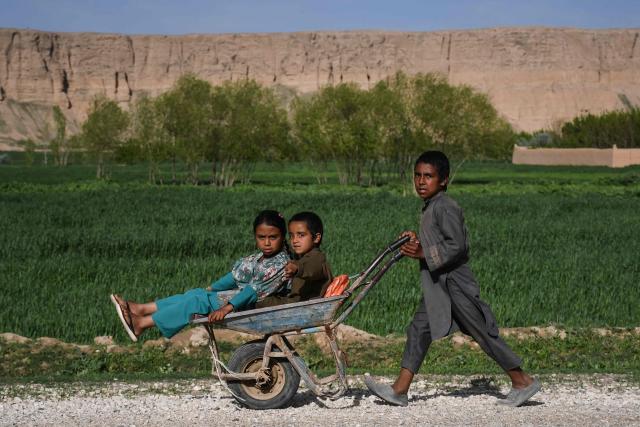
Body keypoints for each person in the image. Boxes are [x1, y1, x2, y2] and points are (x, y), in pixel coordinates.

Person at [364, 150, 540, 408]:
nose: (421, 182)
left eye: (429, 176)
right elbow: (439, 240)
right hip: (438, 285)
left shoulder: (446, 207)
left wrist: (424, 252)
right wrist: (416, 240)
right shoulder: (432, 206)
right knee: (419, 329)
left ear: (444, 180)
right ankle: (399, 390)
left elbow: (456, 245)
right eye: (417, 176)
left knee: (481, 331)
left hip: (454, 283)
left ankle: (522, 380)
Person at [110, 210, 290, 342]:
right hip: (239, 299)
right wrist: (211, 289)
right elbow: (235, 277)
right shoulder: (257, 258)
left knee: (197, 303)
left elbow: (252, 291)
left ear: (282, 237)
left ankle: (142, 323)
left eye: (273, 237)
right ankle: (141, 308)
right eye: (261, 237)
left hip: (250, 305)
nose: (267, 243)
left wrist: (226, 309)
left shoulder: (280, 263)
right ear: (255, 236)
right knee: (195, 294)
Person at [256, 211, 333, 308]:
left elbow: (311, 267)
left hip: (302, 305)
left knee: (260, 301)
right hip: (295, 301)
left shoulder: (317, 258)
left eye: (301, 235)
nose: (295, 240)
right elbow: (287, 250)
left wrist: (296, 268)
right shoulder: (301, 255)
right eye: (291, 235)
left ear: (316, 238)